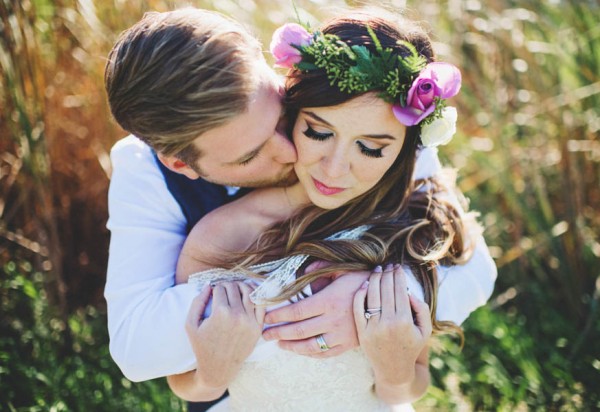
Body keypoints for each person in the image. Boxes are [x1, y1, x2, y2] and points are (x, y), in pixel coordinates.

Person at [103, 5, 496, 405]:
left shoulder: (355, 105)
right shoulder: (154, 179)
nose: (292, 151)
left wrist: (374, 299)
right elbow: (138, 349)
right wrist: (301, 294)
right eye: (249, 155)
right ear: (181, 163)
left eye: (280, 117)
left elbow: (474, 267)